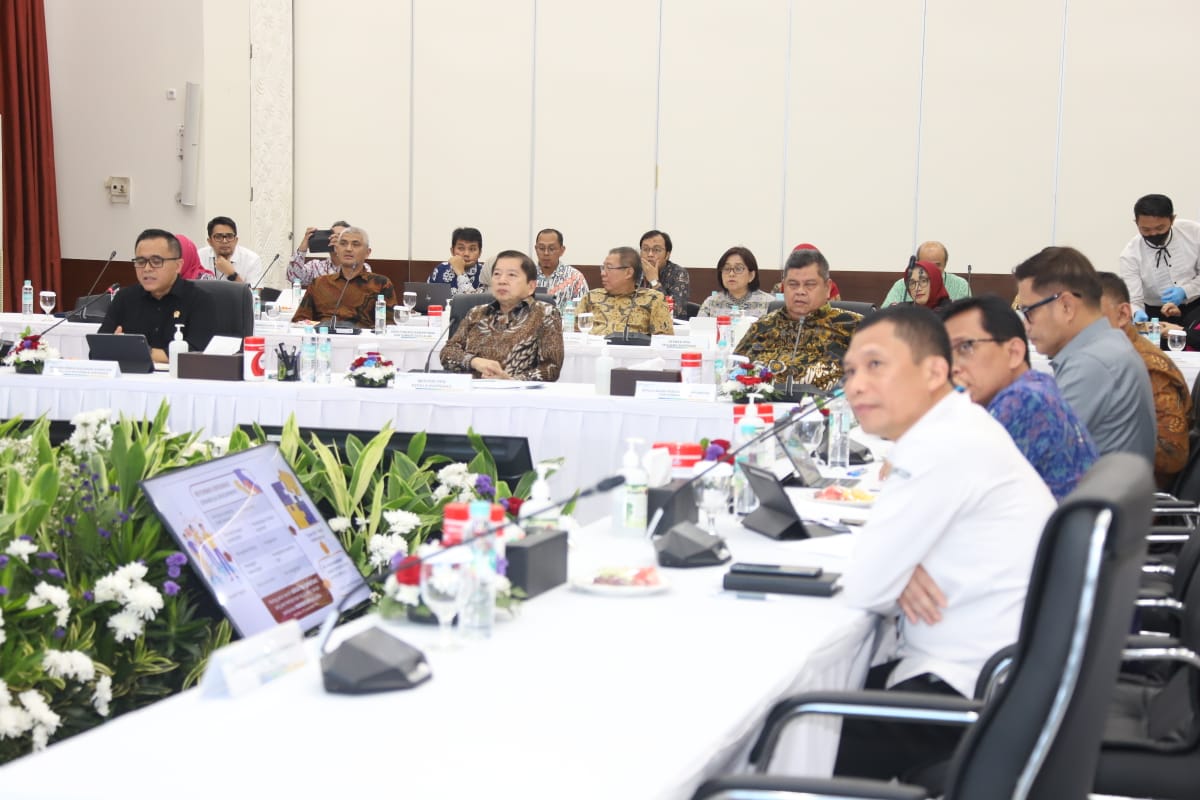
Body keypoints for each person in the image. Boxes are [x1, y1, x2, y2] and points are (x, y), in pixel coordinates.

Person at [834, 304, 1056, 782]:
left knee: (772, 733)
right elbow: (880, 571)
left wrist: (895, 565)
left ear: (936, 371)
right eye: (850, 370)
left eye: (876, 365)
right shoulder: (954, 427)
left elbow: (865, 588)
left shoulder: (943, 443)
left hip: (964, 693)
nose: (855, 385)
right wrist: (900, 564)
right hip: (984, 673)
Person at [941, 295, 1097, 500]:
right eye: (947, 353)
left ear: (1014, 352)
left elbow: (953, 489)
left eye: (966, 347)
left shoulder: (1023, 402)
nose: (954, 367)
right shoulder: (1036, 384)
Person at [1014, 246, 1156, 463]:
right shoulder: (1105, 346)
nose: (1026, 326)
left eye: (1029, 312)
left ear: (1067, 306)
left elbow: (1036, 454)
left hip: (1090, 494)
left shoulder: (1092, 362)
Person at [1097, 271, 1191, 487]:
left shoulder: (1146, 366)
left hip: (1139, 492)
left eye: (1094, 319)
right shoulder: (1110, 355)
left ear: (1122, 315)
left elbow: (1172, 454)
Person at [734, 248, 861, 391]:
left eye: (810, 285)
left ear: (827, 288)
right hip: (761, 407)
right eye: (793, 284)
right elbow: (733, 372)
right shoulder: (762, 326)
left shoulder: (853, 326)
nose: (800, 291)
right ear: (783, 287)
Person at [440, 250, 564, 381]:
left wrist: (510, 380)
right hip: (472, 394)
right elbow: (447, 352)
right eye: (497, 274)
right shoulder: (476, 313)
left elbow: (551, 369)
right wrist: (474, 361)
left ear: (531, 286)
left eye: (511, 275)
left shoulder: (546, 314)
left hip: (519, 395)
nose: (502, 280)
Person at [99, 228, 217, 363]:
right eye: (140, 261)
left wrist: (133, 350)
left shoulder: (200, 300)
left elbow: (198, 355)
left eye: (156, 261)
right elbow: (98, 349)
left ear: (178, 265)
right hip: (132, 379)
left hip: (180, 381)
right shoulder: (124, 298)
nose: (147, 269)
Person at [1118, 193, 1200, 323]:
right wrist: (1137, 312)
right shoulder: (1130, 255)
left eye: (1160, 228)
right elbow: (1134, 299)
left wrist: (1185, 291)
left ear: (1172, 219)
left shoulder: (1194, 232)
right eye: (1145, 229)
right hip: (1156, 314)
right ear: (1136, 223)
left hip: (1196, 306)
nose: (1153, 233)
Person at [292, 226, 395, 328]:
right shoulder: (319, 283)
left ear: (367, 253)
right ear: (336, 249)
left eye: (355, 244)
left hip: (363, 341)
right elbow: (300, 321)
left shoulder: (380, 284)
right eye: (343, 244)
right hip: (325, 339)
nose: (348, 249)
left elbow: (390, 325)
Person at [575, 246, 673, 336]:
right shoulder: (591, 297)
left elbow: (664, 340)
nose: (603, 273)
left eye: (608, 268)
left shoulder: (653, 299)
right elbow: (572, 333)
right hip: (593, 352)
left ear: (628, 273)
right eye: (602, 268)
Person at [881, 241, 970, 307]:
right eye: (926, 264)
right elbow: (884, 315)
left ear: (945, 264)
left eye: (937, 265)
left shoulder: (960, 285)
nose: (931, 269)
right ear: (917, 263)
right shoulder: (902, 285)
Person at [697, 246, 774, 317]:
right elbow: (697, 330)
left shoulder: (769, 304)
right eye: (726, 268)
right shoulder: (711, 303)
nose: (731, 274)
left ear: (751, 275)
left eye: (738, 269)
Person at [287, 221, 364, 286]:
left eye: (340, 237)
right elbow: (293, 277)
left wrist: (341, 251)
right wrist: (302, 247)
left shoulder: (360, 267)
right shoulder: (316, 266)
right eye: (331, 234)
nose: (334, 239)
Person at [197, 216, 264, 285]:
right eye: (218, 237)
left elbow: (255, 294)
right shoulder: (198, 257)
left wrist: (232, 274)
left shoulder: (252, 260)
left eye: (229, 236)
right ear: (209, 241)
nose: (224, 241)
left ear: (236, 240)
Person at [638, 230, 690, 317]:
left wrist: (654, 282)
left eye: (656, 250)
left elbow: (675, 313)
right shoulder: (633, 272)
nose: (650, 254)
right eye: (645, 249)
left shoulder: (679, 274)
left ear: (667, 255)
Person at [531, 228, 587, 305]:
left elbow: (583, 309)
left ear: (562, 250)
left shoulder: (575, 277)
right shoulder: (527, 276)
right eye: (541, 248)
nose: (546, 253)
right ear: (536, 249)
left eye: (551, 249)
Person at [428, 227, 485, 296]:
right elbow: (428, 297)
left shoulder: (485, 274)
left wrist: (460, 272)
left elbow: (473, 302)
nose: (466, 254)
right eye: (461, 248)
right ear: (452, 251)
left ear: (480, 253)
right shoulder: (440, 269)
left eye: (472, 249)